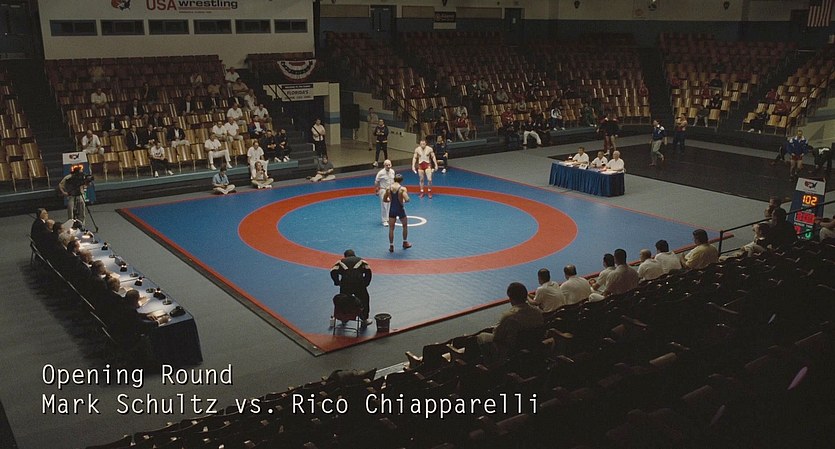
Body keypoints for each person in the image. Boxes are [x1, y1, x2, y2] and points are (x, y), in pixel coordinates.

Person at [476, 282, 545, 361]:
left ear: (511, 298)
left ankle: (492, 363)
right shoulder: (538, 312)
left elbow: (497, 336)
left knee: (482, 336)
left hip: (511, 349)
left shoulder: (509, 316)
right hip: (531, 345)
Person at [330, 249, 373, 326]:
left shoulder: (340, 262)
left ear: (345, 256)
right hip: (359, 283)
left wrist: (337, 282)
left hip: (346, 284)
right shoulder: (361, 261)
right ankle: (364, 319)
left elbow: (333, 271)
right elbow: (368, 271)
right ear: (354, 255)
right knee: (364, 300)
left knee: (344, 300)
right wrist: (366, 283)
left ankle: (344, 318)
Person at [383, 173, 411, 252]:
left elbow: (384, 199)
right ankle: (405, 242)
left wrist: (390, 200)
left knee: (391, 228)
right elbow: (407, 199)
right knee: (404, 225)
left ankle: (391, 246)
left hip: (392, 209)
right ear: (401, 181)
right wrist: (403, 201)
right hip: (400, 209)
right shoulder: (402, 189)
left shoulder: (388, 188)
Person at [374, 160, 395, 226]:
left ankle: (388, 217)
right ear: (384, 165)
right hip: (384, 190)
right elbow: (376, 181)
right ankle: (384, 220)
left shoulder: (392, 171)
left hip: (390, 190)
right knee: (384, 205)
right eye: (387, 165)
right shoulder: (380, 173)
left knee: (390, 205)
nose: (388, 166)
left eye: (389, 165)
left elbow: (393, 181)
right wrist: (377, 190)